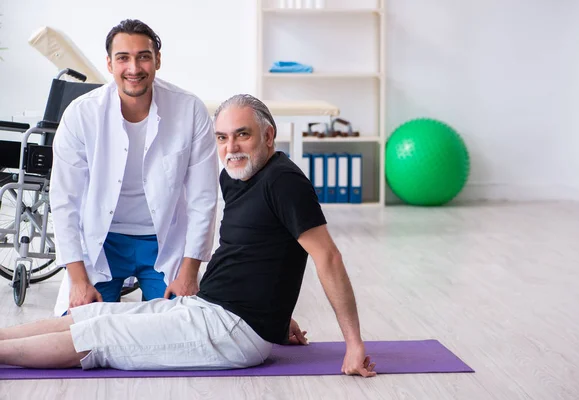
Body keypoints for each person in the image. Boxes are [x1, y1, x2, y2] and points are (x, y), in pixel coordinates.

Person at [0, 95, 376, 378]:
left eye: (243, 135)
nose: (231, 148)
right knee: (94, 313)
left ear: (268, 135)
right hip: (210, 309)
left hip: (231, 332)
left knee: (99, 334)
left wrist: (354, 345)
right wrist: (278, 317)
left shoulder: (285, 182)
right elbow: (263, 254)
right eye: (223, 138)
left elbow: (328, 257)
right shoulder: (236, 176)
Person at [49, 19, 219, 316]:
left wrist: (190, 272)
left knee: (179, 328)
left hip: (163, 242)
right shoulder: (81, 114)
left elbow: (203, 198)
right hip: (103, 242)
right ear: (109, 63)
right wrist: (77, 279)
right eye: (123, 58)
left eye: (143, 56)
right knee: (81, 332)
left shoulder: (190, 110)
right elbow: (65, 200)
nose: (134, 68)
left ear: (157, 60)